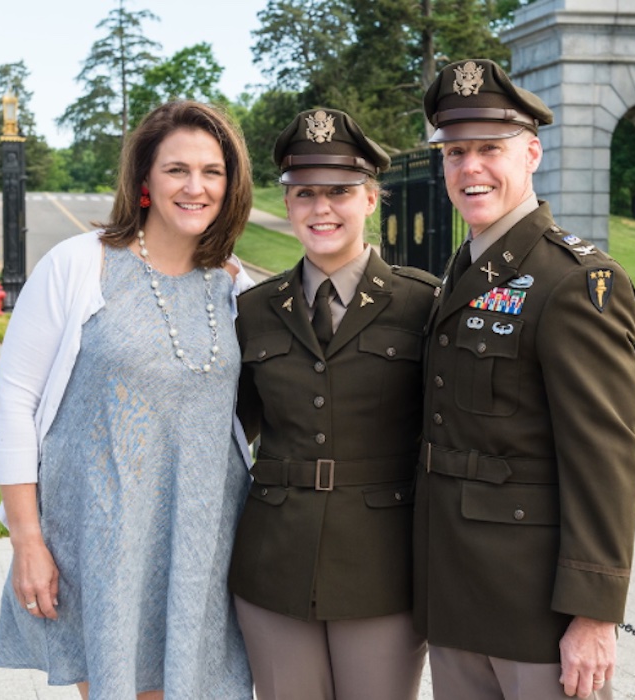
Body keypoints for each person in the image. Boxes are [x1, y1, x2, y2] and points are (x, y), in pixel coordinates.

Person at [0, 100, 256, 700]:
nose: (196, 187)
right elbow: (13, 403)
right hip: (101, 539)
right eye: (176, 170)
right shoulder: (81, 266)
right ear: (144, 181)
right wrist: (27, 540)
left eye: (212, 171)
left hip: (205, 542)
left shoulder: (238, 287)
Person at [414, 59, 635, 700]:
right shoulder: (462, 269)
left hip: (536, 613)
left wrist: (594, 614)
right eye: (456, 151)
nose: (471, 167)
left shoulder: (573, 281)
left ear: (532, 153)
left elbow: (605, 456)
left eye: (491, 148)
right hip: (456, 597)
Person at [228, 108, 437, 700]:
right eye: (305, 194)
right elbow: (223, 429)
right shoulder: (253, 310)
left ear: (372, 199)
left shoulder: (420, 305)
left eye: (340, 192)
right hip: (274, 564)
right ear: (287, 203)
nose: (322, 209)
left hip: (383, 567)